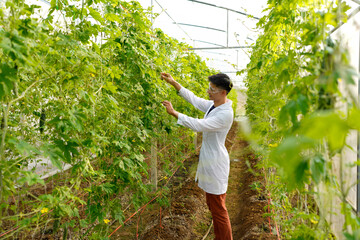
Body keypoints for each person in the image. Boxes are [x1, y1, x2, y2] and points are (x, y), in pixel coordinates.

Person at [161, 72, 234, 240]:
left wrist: (174, 113)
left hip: (216, 163)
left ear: (223, 92)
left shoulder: (225, 114)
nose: (208, 91)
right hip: (210, 159)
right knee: (212, 204)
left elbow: (199, 124)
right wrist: (174, 82)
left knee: (218, 208)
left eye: (212, 89)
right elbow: (194, 99)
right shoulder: (214, 105)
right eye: (209, 88)